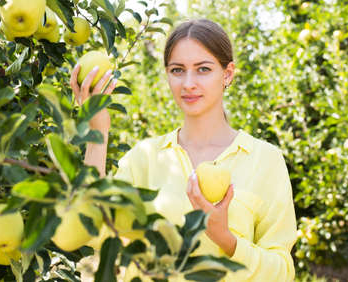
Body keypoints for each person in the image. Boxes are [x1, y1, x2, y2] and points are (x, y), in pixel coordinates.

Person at [70, 19, 297, 282]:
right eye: (178, 70)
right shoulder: (144, 158)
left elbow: (281, 272)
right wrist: (97, 133)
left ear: (228, 74)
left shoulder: (264, 160)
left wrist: (225, 238)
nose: (188, 83)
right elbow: (91, 227)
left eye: (203, 69)